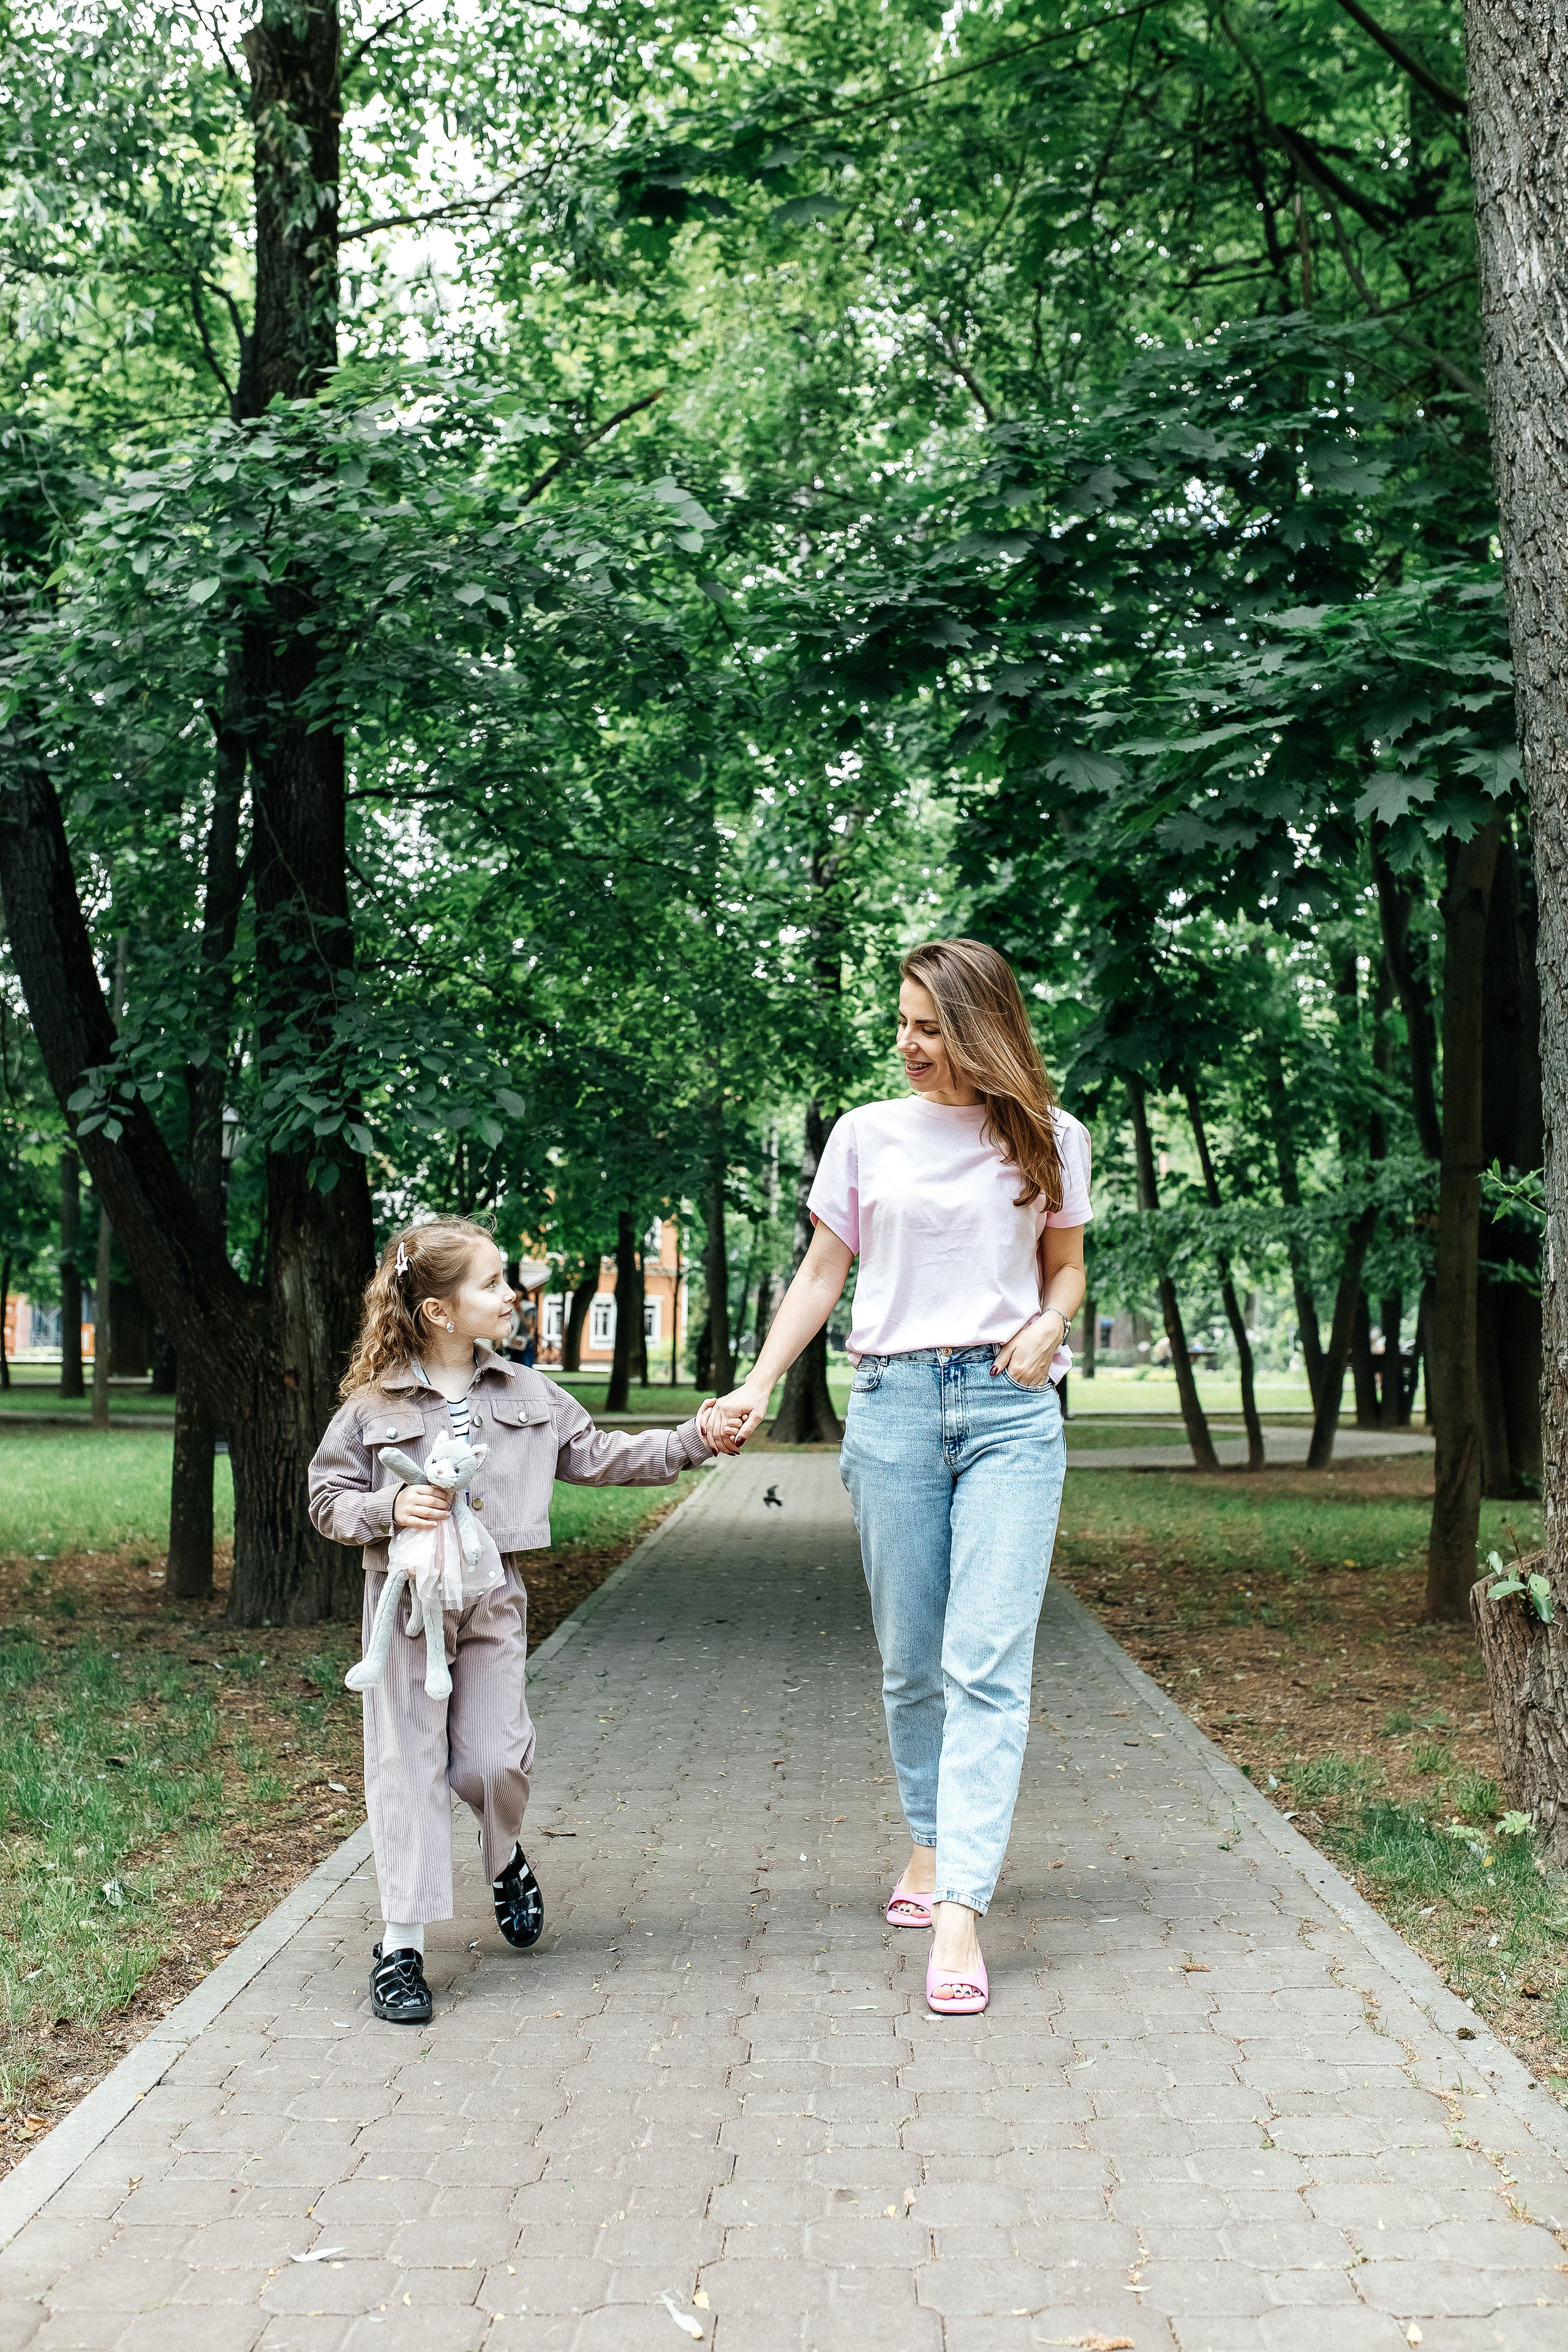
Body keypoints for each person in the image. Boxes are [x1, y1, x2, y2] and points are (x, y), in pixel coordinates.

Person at [709, 940, 1090, 2015]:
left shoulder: (1054, 1136)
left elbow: (1065, 1267)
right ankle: (929, 1841)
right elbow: (825, 1269)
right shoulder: (866, 1134)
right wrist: (757, 1383)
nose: (906, 1044)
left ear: (978, 1029)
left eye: (927, 1027)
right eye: (902, 1023)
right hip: (893, 1407)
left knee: (988, 1663)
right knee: (912, 1661)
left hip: (1014, 1412)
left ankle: (960, 1906)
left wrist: (1050, 1323)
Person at [310, 1218, 718, 2025]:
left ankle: (503, 1858)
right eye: (493, 1283)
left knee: (492, 1762)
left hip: (493, 1598)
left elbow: (602, 1455)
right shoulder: (371, 1407)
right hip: (408, 1608)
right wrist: (389, 1505)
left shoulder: (529, 1394)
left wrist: (693, 1438)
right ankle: (401, 1949)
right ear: (439, 1312)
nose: (511, 1295)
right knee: (408, 1764)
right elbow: (326, 1500)